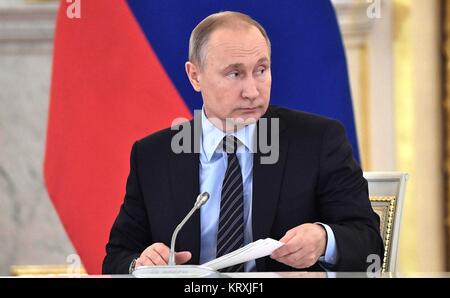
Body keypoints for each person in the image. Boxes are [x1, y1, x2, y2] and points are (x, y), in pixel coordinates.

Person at [102, 11, 383, 274]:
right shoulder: (153, 156)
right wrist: (140, 263)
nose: (252, 91)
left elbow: (369, 244)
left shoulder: (317, 141)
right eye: (235, 74)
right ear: (195, 76)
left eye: (261, 70)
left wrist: (324, 240)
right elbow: (117, 256)